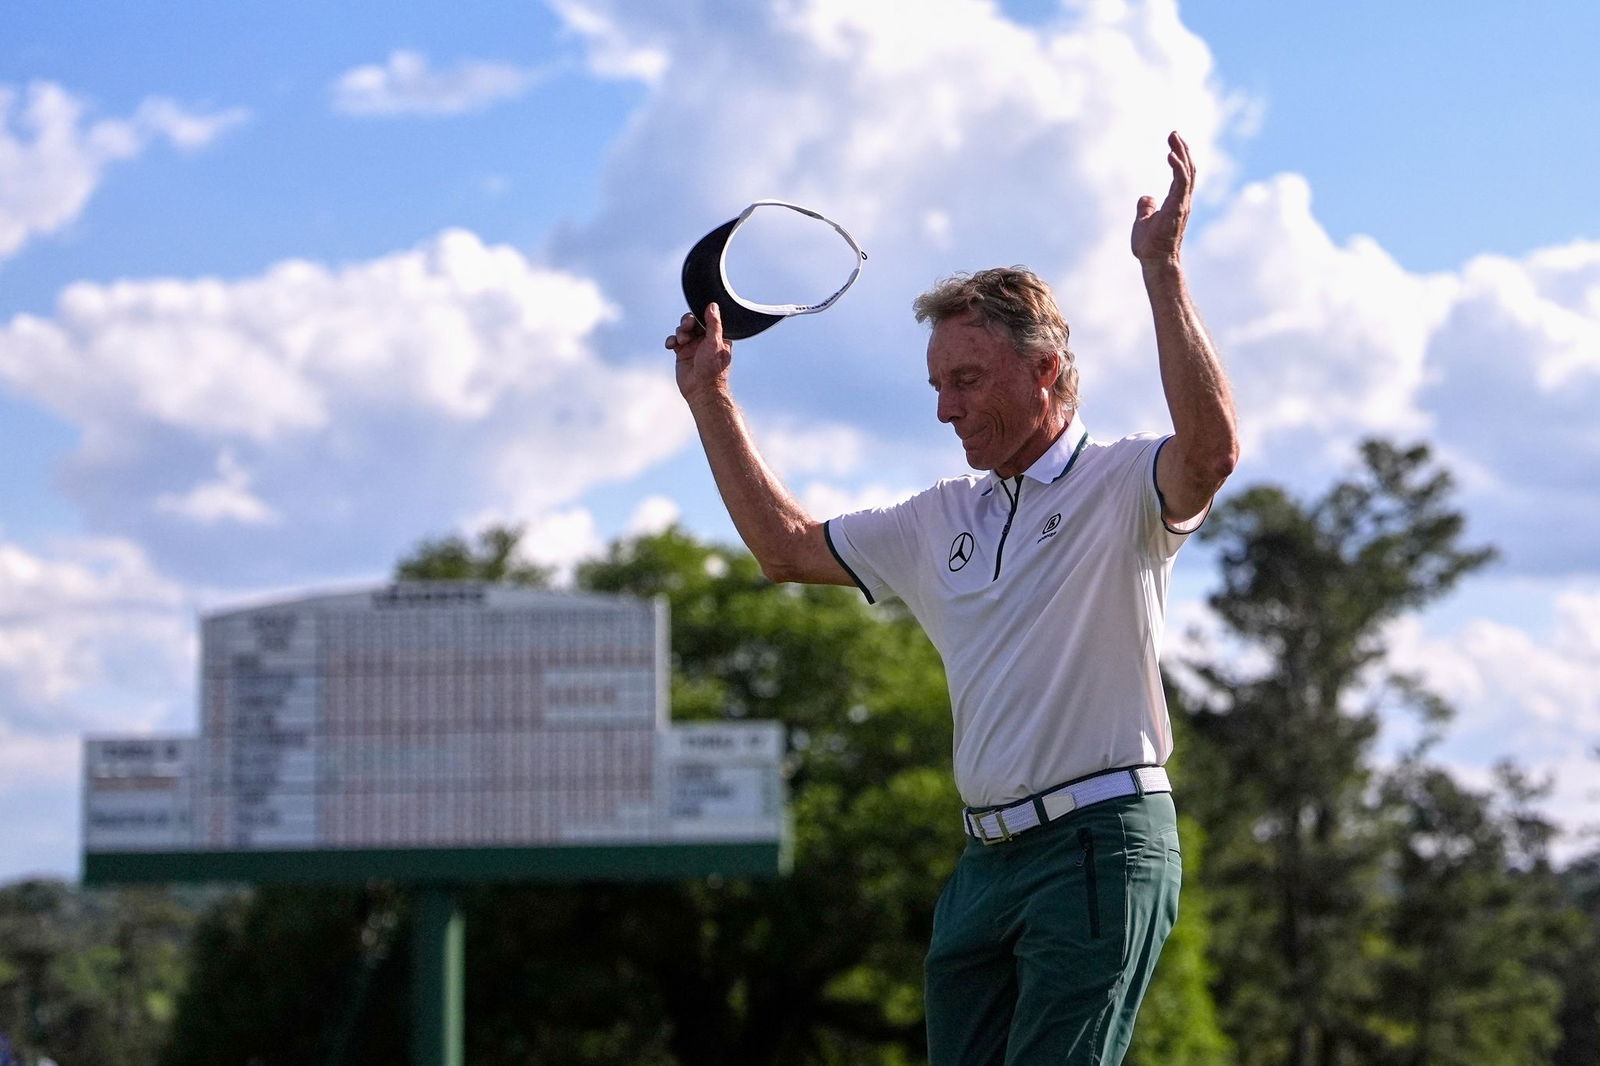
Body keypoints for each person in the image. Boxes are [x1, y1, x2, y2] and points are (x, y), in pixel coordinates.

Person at [666, 131, 1237, 1066]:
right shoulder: (941, 517)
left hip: (1101, 843)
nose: (945, 408)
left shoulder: (1125, 483)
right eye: (937, 385)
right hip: (984, 866)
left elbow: (1211, 455)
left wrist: (1162, 270)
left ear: (1045, 370)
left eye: (966, 380)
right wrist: (708, 398)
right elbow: (784, 549)